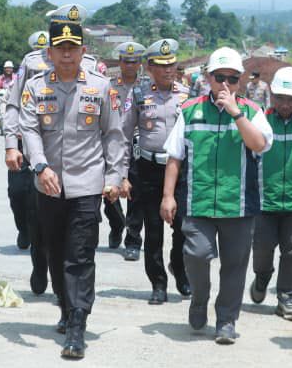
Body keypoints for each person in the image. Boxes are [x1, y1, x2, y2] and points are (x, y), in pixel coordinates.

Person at [19, 16, 128, 359]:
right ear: (49, 53)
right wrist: (40, 166)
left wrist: (114, 177)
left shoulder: (101, 87)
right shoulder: (35, 87)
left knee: (80, 255)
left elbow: (114, 135)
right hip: (48, 185)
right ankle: (66, 308)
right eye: (60, 48)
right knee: (54, 250)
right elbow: (29, 129)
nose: (66, 54)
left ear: (83, 51)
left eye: (72, 48)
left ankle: (78, 323)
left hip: (87, 184)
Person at [160, 47, 273, 346]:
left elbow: (259, 144)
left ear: (240, 81)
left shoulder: (252, 111)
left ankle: (226, 320)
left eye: (232, 79)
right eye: (219, 77)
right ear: (208, 78)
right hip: (198, 202)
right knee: (196, 254)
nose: (225, 84)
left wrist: (236, 113)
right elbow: (175, 156)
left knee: (235, 266)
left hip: (238, 204)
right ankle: (199, 299)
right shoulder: (190, 110)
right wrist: (168, 196)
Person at [120, 39, 190, 303]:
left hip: (180, 170)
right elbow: (125, 135)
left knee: (183, 226)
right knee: (152, 230)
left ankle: (179, 268)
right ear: (150, 67)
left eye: (171, 64)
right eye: (161, 65)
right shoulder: (139, 95)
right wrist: (122, 175)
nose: (168, 70)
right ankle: (158, 283)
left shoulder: (187, 95)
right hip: (148, 169)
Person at [249, 66, 292, 322]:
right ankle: (262, 277)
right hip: (264, 202)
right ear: (271, 94)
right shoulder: (259, 121)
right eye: (280, 98)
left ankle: (286, 297)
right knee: (262, 251)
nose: (285, 104)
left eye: (291, 99)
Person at [3, 30, 53, 288]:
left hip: (63, 150)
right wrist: (11, 143)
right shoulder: (31, 62)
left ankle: (58, 275)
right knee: (19, 194)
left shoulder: (88, 66)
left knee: (55, 213)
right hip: (28, 142)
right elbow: (14, 102)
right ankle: (30, 241)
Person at [110, 41, 146, 256]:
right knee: (108, 192)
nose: (130, 65)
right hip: (111, 142)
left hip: (137, 144)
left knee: (135, 193)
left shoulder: (147, 86)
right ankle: (116, 224)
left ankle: (133, 240)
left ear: (139, 63)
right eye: (126, 61)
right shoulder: (109, 86)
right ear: (120, 62)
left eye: (134, 61)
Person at [0, 60, 16, 135]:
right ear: (4, 69)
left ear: (12, 69)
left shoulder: (16, 78)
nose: (8, 70)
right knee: (1, 113)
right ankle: (1, 125)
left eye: (10, 68)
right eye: (7, 68)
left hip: (14, 97)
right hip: (2, 98)